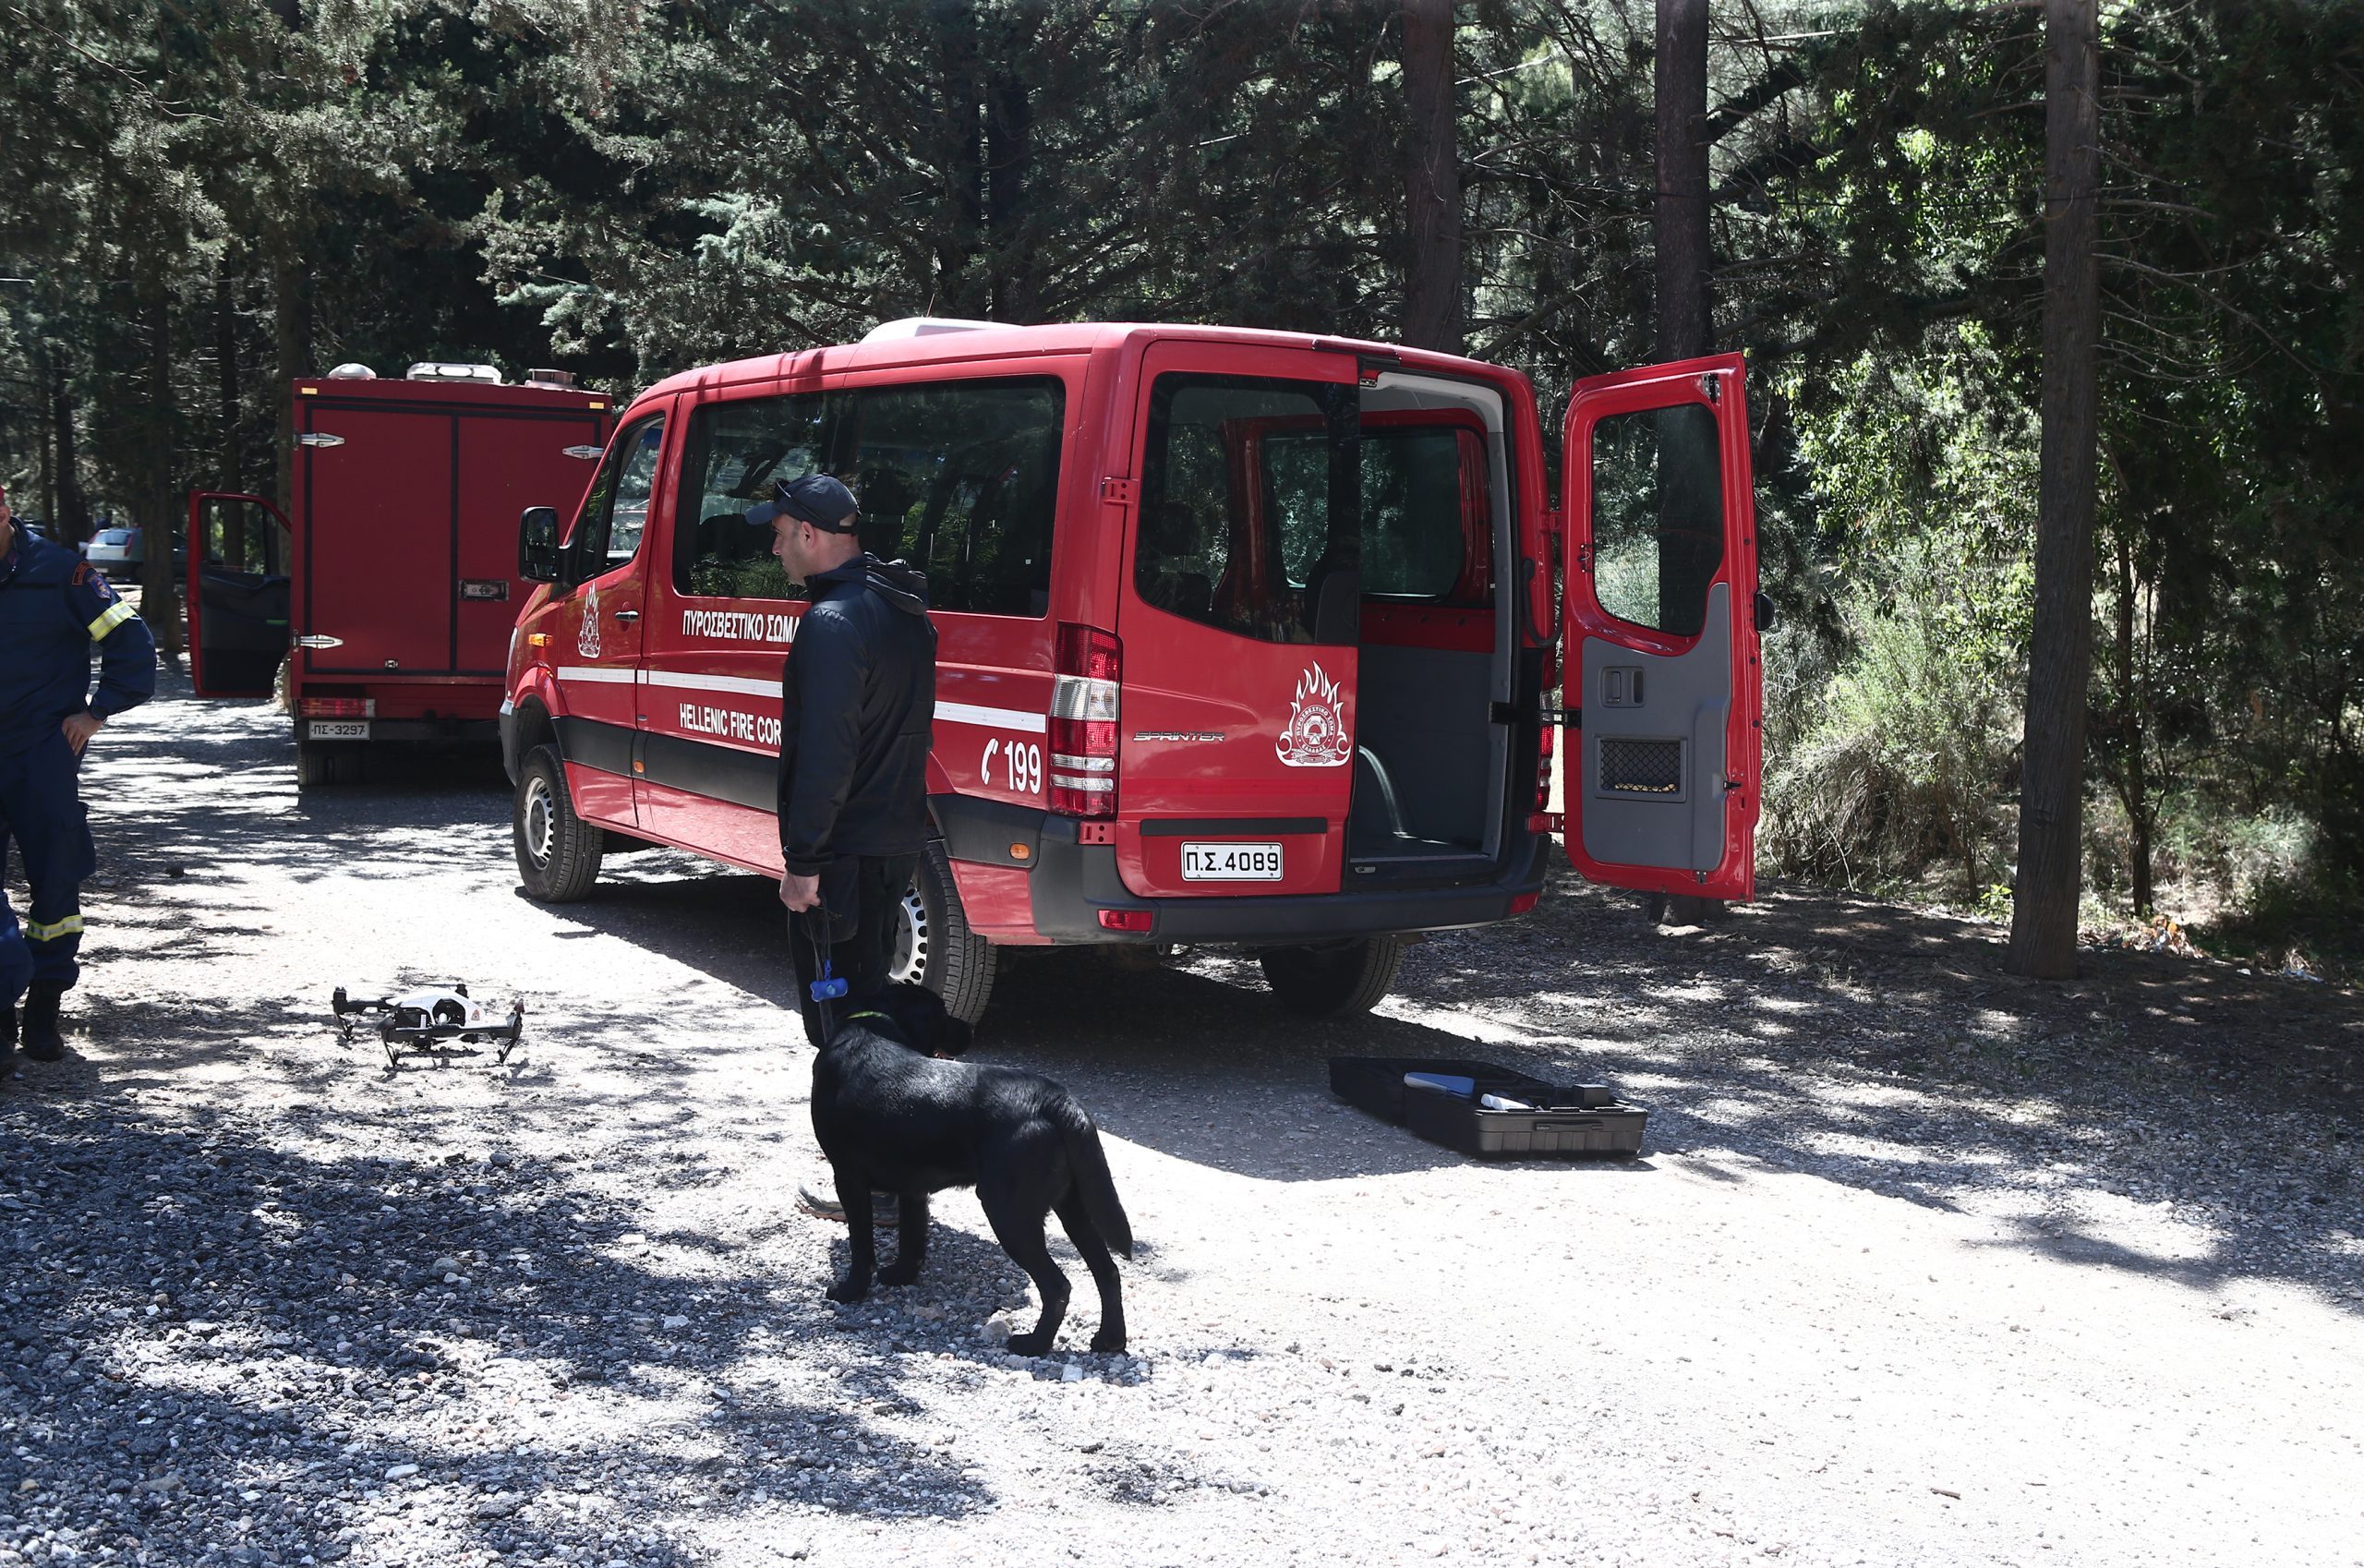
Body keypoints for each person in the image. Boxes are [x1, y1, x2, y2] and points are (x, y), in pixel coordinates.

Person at [750, 473, 935, 1218]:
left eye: (780, 530)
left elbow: (827, 753)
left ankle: (881, 1185)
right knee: (871, 1012)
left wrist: (803, 864)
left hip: (842, 860)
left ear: (811, 534)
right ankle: (898, 1172)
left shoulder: (832, 622)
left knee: (843, 1029)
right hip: (891, 844)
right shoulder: (902, 609)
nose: (773, 543)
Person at [0, 485, 157, 1070]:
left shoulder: (62, 572)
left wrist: (97, 712)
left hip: (41, 753)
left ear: (4, 508)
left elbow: (131, 640)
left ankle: (43, 1011)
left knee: (55, 888)